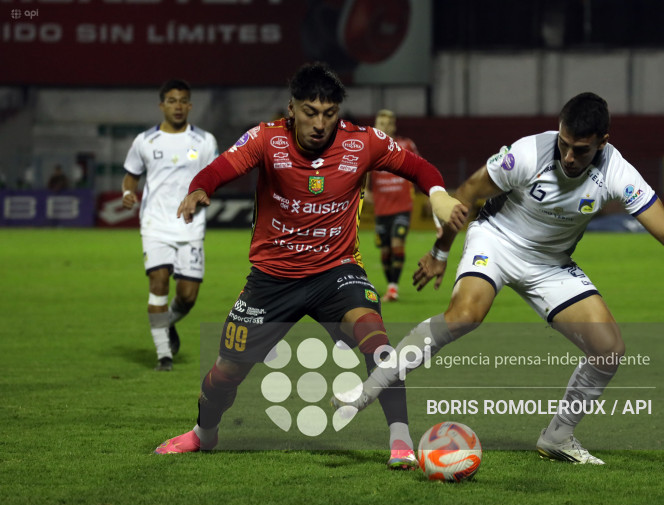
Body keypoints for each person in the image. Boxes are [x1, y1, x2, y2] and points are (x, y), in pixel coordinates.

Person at [333, 92, 664, 465]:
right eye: (564, 144)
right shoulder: (527, 153)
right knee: (466, 315)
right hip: (497, 239)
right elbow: (466, 193)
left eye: (581, 149)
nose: (569, 157)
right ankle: (367, 390)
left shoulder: (616, 171)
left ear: (603, 143)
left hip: (550, 264)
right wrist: (441, 251)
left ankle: (557, 436)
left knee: (610, 350)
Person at [153, 62, 468, 469]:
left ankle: (401, 441)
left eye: (329, 113)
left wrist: (438, 193)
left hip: (336, 272)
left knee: (377, 341)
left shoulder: (363, 142)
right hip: (272, 279)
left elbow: (418, 167)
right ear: (292, 109)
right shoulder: (267, 139)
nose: (320, 123)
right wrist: (200, 188)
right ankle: (203, 434)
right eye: (310, 112)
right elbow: (221, 167)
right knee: (226, 371)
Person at [121, 79, 219, 372]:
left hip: (190, 227)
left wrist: (205, 192)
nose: (178, 106)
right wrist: (128, 192)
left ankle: (166, 324)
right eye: (172, 100)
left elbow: (214, 176)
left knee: (187, 297)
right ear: (161, 105)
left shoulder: (205, 141)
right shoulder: (145, 141)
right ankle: (164, 355)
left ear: (190, 105)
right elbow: (131, 175)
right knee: (158, 283)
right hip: (155, 225)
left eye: (183, 101)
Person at [367, 109, 420, 302]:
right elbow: (364, 178)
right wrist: (367, 195)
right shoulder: (370, 150)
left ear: (393, 125)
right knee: (385, 250)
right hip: (382, 209)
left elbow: (419, 169)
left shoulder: (406, 145)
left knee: (397, 243)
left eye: (388, 123)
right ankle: (390, 287)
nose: (384, 126)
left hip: (402, 207)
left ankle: (393, 289)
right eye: (380, 123)